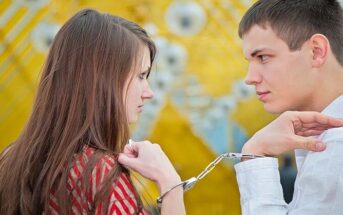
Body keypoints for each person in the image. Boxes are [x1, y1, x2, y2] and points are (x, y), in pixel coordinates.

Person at [0, 9, 185, 215]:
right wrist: (170, 184)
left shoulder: (10, 160)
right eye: (141, 76)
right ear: (104, 80)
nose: (148, 92)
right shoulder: (100, 176)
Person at [234, 0, 343, 214]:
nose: (249, 78)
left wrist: (255, 153)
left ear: (316, 51)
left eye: (263, 57)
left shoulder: (336, 145)